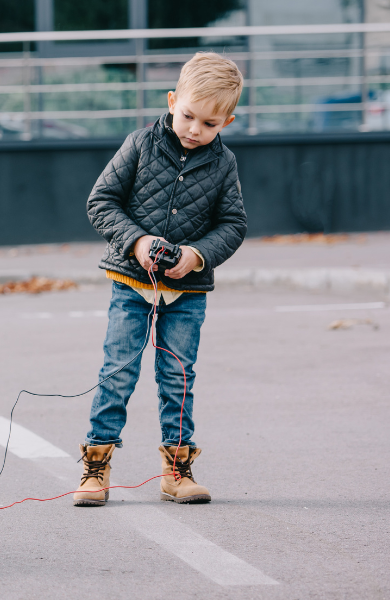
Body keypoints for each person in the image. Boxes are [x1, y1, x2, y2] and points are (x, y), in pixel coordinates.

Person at [75, 53, 248, 507]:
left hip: (187, 292)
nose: (194, 129)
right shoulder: (139, 144)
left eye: (209, 124)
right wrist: (136, 242)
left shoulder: (224, 163)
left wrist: (195, 256)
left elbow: (233, 225)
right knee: (118, 372)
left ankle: (177, 471)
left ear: (226, 121)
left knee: (178, 377)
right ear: (173, 100)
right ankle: (96, 466)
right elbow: (101, 202)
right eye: (188, 115)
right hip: (131, 282)